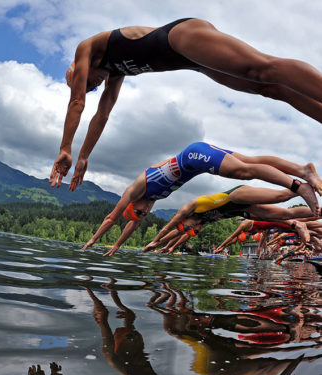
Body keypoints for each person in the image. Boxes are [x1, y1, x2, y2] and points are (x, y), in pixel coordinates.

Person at [49, 18, 322, 191]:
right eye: (92, 87)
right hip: (194, 63)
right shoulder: (115, 74)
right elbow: (103, 114)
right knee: (268, 89)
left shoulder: (88, 47)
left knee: (261, 69)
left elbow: (77, 102)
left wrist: (65, 147)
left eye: (87, 83)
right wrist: (83, 156)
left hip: (181, 36)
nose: (94, 86)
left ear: (77, 71)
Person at [82, 141, 320, 256]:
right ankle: (302, 170)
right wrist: (116, 245)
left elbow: (113, 218)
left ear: (134, 204)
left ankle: (297, 185)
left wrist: (93, 239)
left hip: (195, 156)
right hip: (202, 164)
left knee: (244, 170)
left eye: (141, 212)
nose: (145, 213)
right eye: (143, 215)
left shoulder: (137, 189)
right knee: (251, 162)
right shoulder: (151, 199)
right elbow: (134, 225)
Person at [143, 185, 317, 254]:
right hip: (242, 209)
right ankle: (313, 213)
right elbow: (180, 234)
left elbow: (170, 228)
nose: (191, 230)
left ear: (185, 219)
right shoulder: (202, 222)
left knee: (282, 196)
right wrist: (167, 246)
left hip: (238, 196)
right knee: (284, 214)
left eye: (187, 227)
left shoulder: (192, 208)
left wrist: (155, 241)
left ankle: (302, 187)